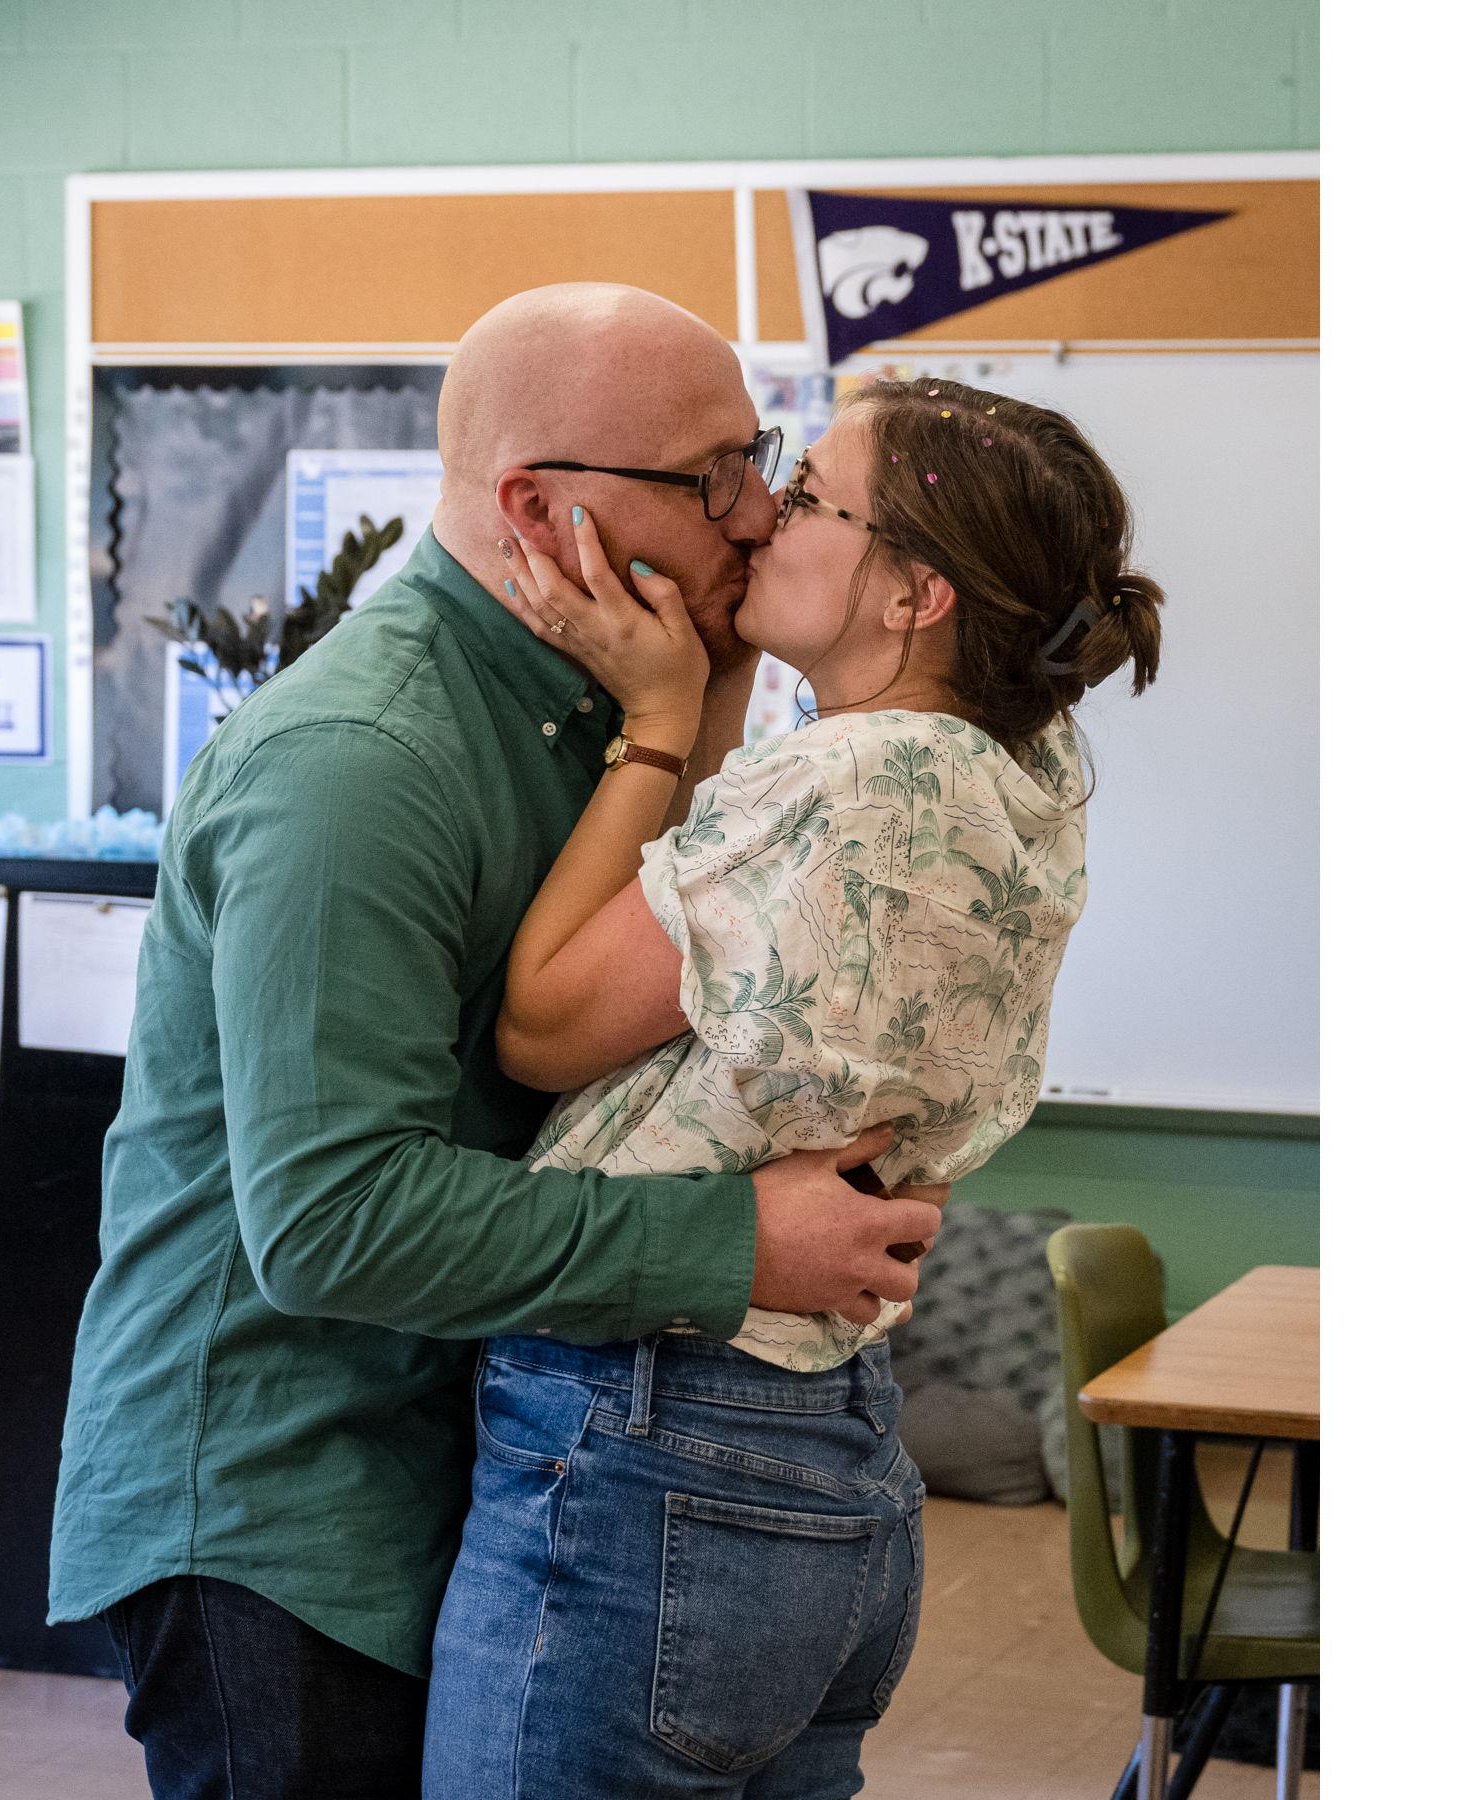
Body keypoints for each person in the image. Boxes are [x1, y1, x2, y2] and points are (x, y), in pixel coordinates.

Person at [47, 284, 948, 1800]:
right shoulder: (358, 761)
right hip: (290, 1509)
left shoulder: (612, 701)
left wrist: (714, 693)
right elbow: (333, 1222)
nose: (756, 514)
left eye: (760, 461)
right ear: (536, 505)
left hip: (474, 1464)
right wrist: (742, 1243)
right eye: (710, 477)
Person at [420, 375, 1165, 1798]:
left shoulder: (847, 777)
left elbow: (543, 1023)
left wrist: (657, 716)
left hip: (656, 1433)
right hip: (821, 1437)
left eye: (810, 497)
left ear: (918, 596)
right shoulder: (1025, 760)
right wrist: (723, 683)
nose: (760, 515)